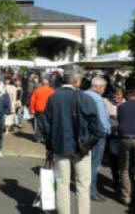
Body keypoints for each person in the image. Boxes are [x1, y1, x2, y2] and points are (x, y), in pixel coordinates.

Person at [43, 66, 104, 214]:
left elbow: (46, 125)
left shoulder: (53, 97)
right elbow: (98, 127)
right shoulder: (85, 98)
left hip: (60, 146)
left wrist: (49, 146)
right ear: (76, 81)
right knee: (83, 184)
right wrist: (91, 142)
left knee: (62, 183)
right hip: (81, 147)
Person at [84, 76, 111, 202]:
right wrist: (107, 131)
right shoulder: (97, 99)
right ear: (99, 87)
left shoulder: (82, 95)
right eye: (104, 88)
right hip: (97, 135)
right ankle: (92, 190)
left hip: (84, 133)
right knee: (94, 164)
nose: (104, 90)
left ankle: (84, 186)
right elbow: (102, 119)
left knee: (84, 162)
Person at [29, 78, 55, 142]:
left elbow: (32, 101)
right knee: (47, 124)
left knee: (38, 125)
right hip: (49, 110)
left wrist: (32, 109)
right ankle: (47, 137)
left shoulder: (37, 90)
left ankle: (38, 138)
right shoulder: (52, 91)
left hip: (39, 110)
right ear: (48, 84)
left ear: (42, 84)